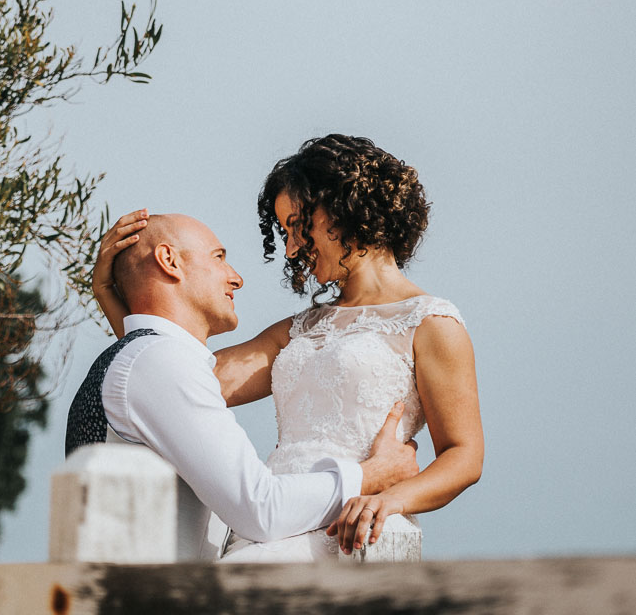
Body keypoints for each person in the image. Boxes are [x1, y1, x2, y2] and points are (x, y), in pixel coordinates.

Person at [93, 134, 483, 561]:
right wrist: (115, 298)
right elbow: (179, 382)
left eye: (297, 226)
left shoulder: (432, 324)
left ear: (344, 207)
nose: (291, 248)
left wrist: (392, 498)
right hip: (276, 521)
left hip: (354, 526)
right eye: (284, 233)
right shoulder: (296, 330)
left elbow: (464, 456)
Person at [67, 211, 419, 559]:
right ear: (169, 260)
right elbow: (260, 510)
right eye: (219, 257)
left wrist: (111, 296)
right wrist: (374, 474)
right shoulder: (159, 361)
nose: (236, 278)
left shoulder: (143, 360)